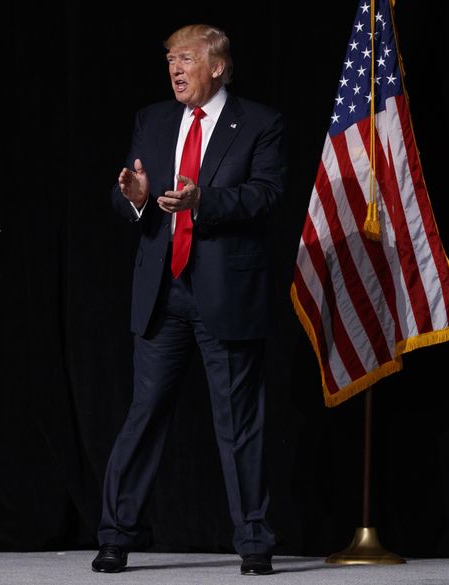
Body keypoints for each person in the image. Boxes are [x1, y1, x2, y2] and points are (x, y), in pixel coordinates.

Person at [91, 23, 284, 576]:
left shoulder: (260, 123)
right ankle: (115, 537)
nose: (175, 69)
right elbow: (132, 192)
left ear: (217, 66)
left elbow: (267, 194)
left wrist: (204, 200)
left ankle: (254, 544)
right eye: (171, 60)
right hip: (162, 292)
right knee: (144, 414)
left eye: (187, 59)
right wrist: (134, 198)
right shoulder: (152, 120)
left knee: (238, 424)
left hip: (225, 293)